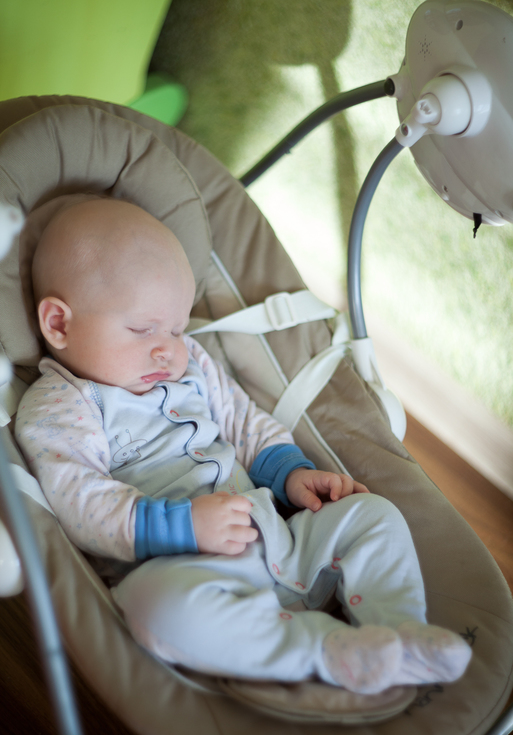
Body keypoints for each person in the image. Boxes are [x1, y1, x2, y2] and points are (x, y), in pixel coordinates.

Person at [16, 197, 472, 694]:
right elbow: (79, 499)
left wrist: (290, 472)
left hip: (282, 541)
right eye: (142, 330)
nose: (167, 349)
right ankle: (325, 650)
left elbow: (242, 421)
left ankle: (400, 630)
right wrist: (183, 526)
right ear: (58, 324)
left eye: (176, 327)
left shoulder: (190, 361)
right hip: (186, 571)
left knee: (371, 514)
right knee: (155, 611)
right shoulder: (61, 404)